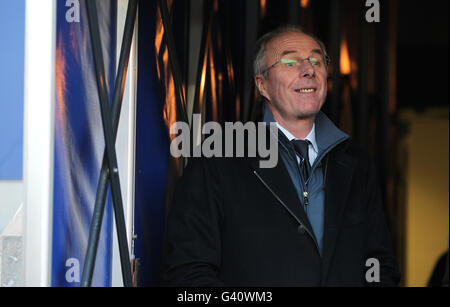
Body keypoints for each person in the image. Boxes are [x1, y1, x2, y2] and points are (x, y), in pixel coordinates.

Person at [162, 26, 401, 286]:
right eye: (289, 61)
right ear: (262, 84)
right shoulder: (219, 158)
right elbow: (189, 272)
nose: (308, 70)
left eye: (316, 60)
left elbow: (380, 265)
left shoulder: (356, 163)